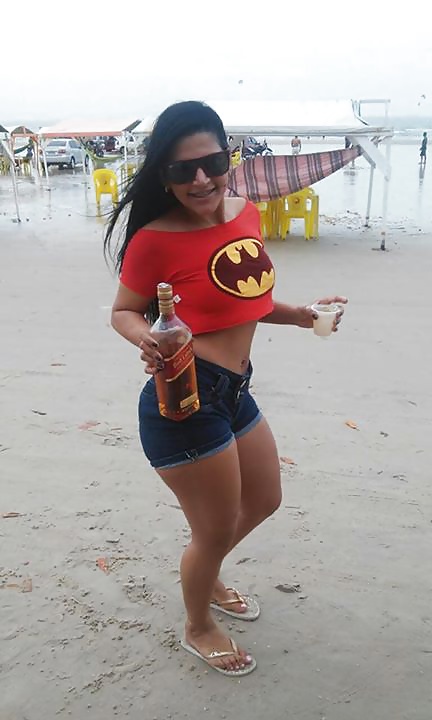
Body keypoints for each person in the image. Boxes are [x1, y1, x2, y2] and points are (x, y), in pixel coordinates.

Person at [104, 101, 347, 677]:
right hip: (185, 398)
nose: (200, 179)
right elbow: (123, 312)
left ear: (229, 158)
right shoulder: (155, 240)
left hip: (235, 390)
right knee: (212, 530)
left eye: (212, 163)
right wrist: (147, 338)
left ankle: (206, 571)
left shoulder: (246, 214)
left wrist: (300, 314)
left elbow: (249, 296)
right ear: (164, 176)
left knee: (263, 499)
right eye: (181, 170)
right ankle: (198, 624)